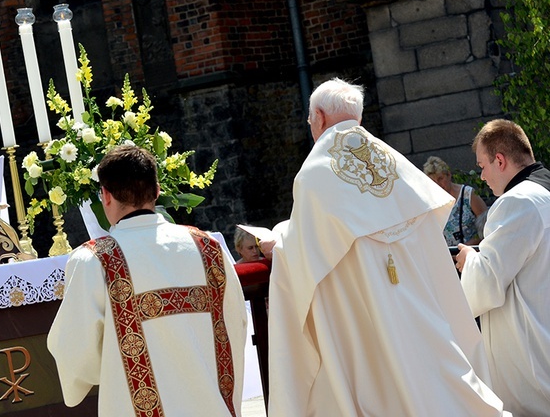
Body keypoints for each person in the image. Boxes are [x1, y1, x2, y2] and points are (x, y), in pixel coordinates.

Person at [268, 78, 506, 416]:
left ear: (318, 117)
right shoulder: (399, 167)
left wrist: (278, 239)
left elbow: (308, 247)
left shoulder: (314, 174)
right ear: (359, 119)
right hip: (418, 302)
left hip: (366, 315)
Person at [47, 145, 247, 416]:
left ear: (105, 196)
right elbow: (235, 321)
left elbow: (74, 347)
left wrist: (114, 368)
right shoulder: (207, 247)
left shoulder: (95, 260)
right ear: (157, 190)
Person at [454, 119, 550, 416]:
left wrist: (470, 260)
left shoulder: (517, 202)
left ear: (500, 160)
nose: (481, 176)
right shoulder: (543, 191)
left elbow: (486, 283)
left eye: (482, 165)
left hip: (532, 352)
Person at [423, 155, 488, 246]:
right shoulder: (431, 203)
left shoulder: (468, 194)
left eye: (440, 178)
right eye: (433, 181)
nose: (437, 184)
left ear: (448, 175)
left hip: (472, 252)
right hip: (447, 256)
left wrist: (465, 247)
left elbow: (487, 226)